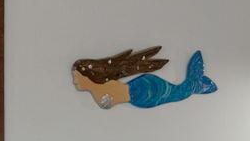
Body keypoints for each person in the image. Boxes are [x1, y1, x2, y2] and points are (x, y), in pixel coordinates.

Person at [71, 47, 217, 109]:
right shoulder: (99, 89)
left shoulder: (104, 86)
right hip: (140, 98)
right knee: (178, 93)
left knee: (177, 93)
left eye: (76, 77)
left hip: (146, 90)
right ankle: (195, 83)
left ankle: (195, 83)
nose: (74, 81)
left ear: (87, 76)